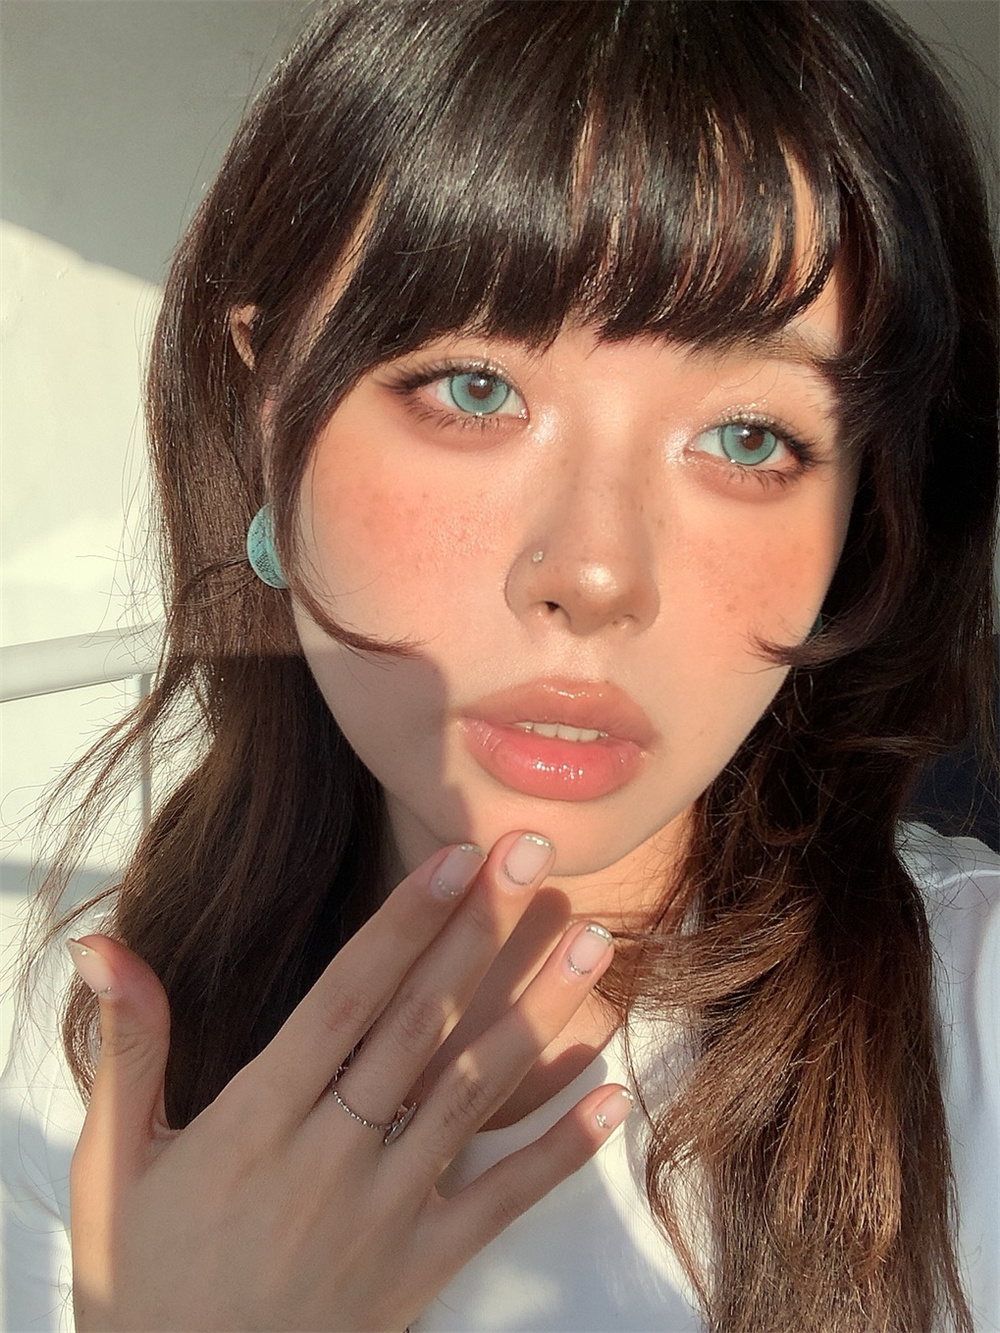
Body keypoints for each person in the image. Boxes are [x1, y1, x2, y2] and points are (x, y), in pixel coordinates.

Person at [2, 1, 998, 1330]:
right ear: (268, 411)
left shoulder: (973, 1028)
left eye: (750, 437)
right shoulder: (78, 1063)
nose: (595, 572)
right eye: (474, 388)